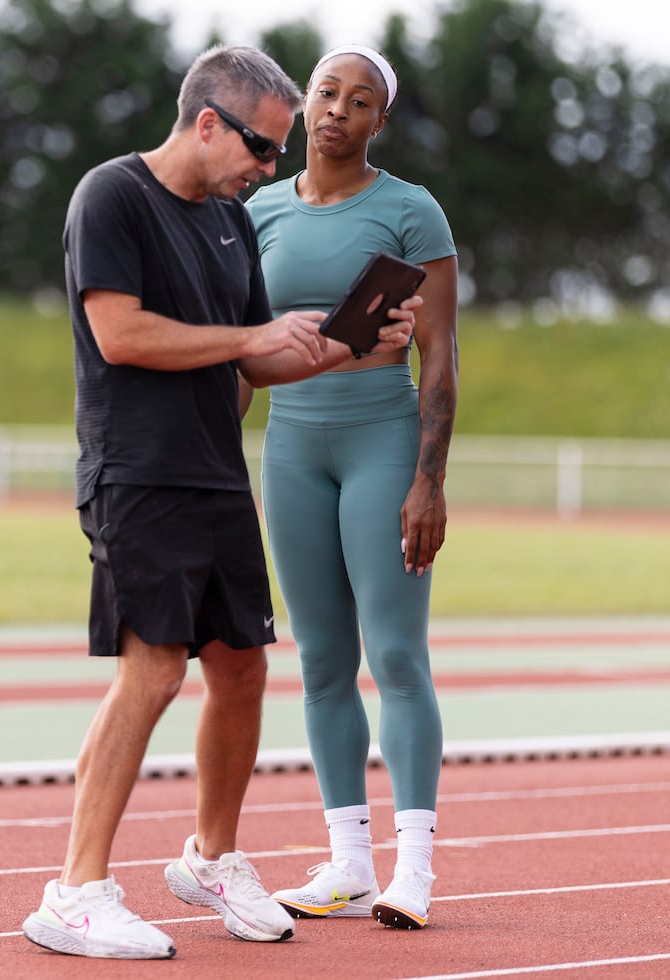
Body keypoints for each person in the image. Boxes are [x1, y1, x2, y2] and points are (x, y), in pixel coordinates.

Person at [20, 44, 416, 961]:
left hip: (214, 469)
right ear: (208, 123)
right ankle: (76, 890)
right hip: (139, 469)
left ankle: (211, 856)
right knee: (153, 671)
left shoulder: (229, 224)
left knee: (242, 664)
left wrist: (348, 346)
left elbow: (249, 364)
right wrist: (252, 332)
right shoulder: (111, 195)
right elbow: (119, 335)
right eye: (261, 149)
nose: (270, 169)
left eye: (276, 155)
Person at [246, 44, 459, 930]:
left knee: (397, 657)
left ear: (380, 120)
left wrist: (428, 481)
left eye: (359, 99)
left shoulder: (410, 210)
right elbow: (242, 346)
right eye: (326, 92)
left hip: (381, 439)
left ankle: (414, 870)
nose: (338, 108)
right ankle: (347, 863)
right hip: (291, 447)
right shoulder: (254, 209)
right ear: (302, 107)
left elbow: (440, 355)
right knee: (322, 662)